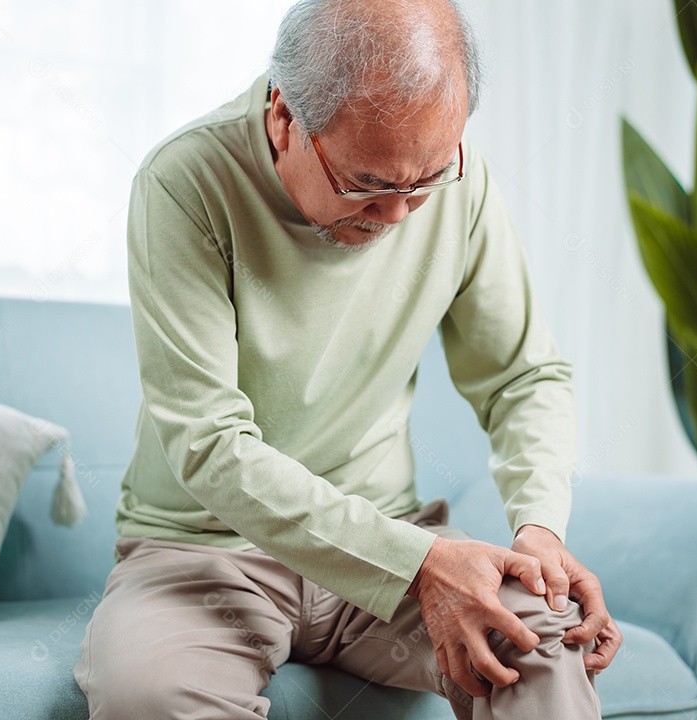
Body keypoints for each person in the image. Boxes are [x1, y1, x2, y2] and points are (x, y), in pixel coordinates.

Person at [75, 0, 622, 717]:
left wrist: (540, 527)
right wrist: (417, 564)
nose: (397, 214)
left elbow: (523, 378)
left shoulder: (462, 184)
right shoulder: (185, 182)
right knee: (149, 697)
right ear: (284, 117)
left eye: (425, 181)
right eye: (366, 183)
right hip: (207, 553)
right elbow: (209, 446)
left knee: (542, 645)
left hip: (395, 532)